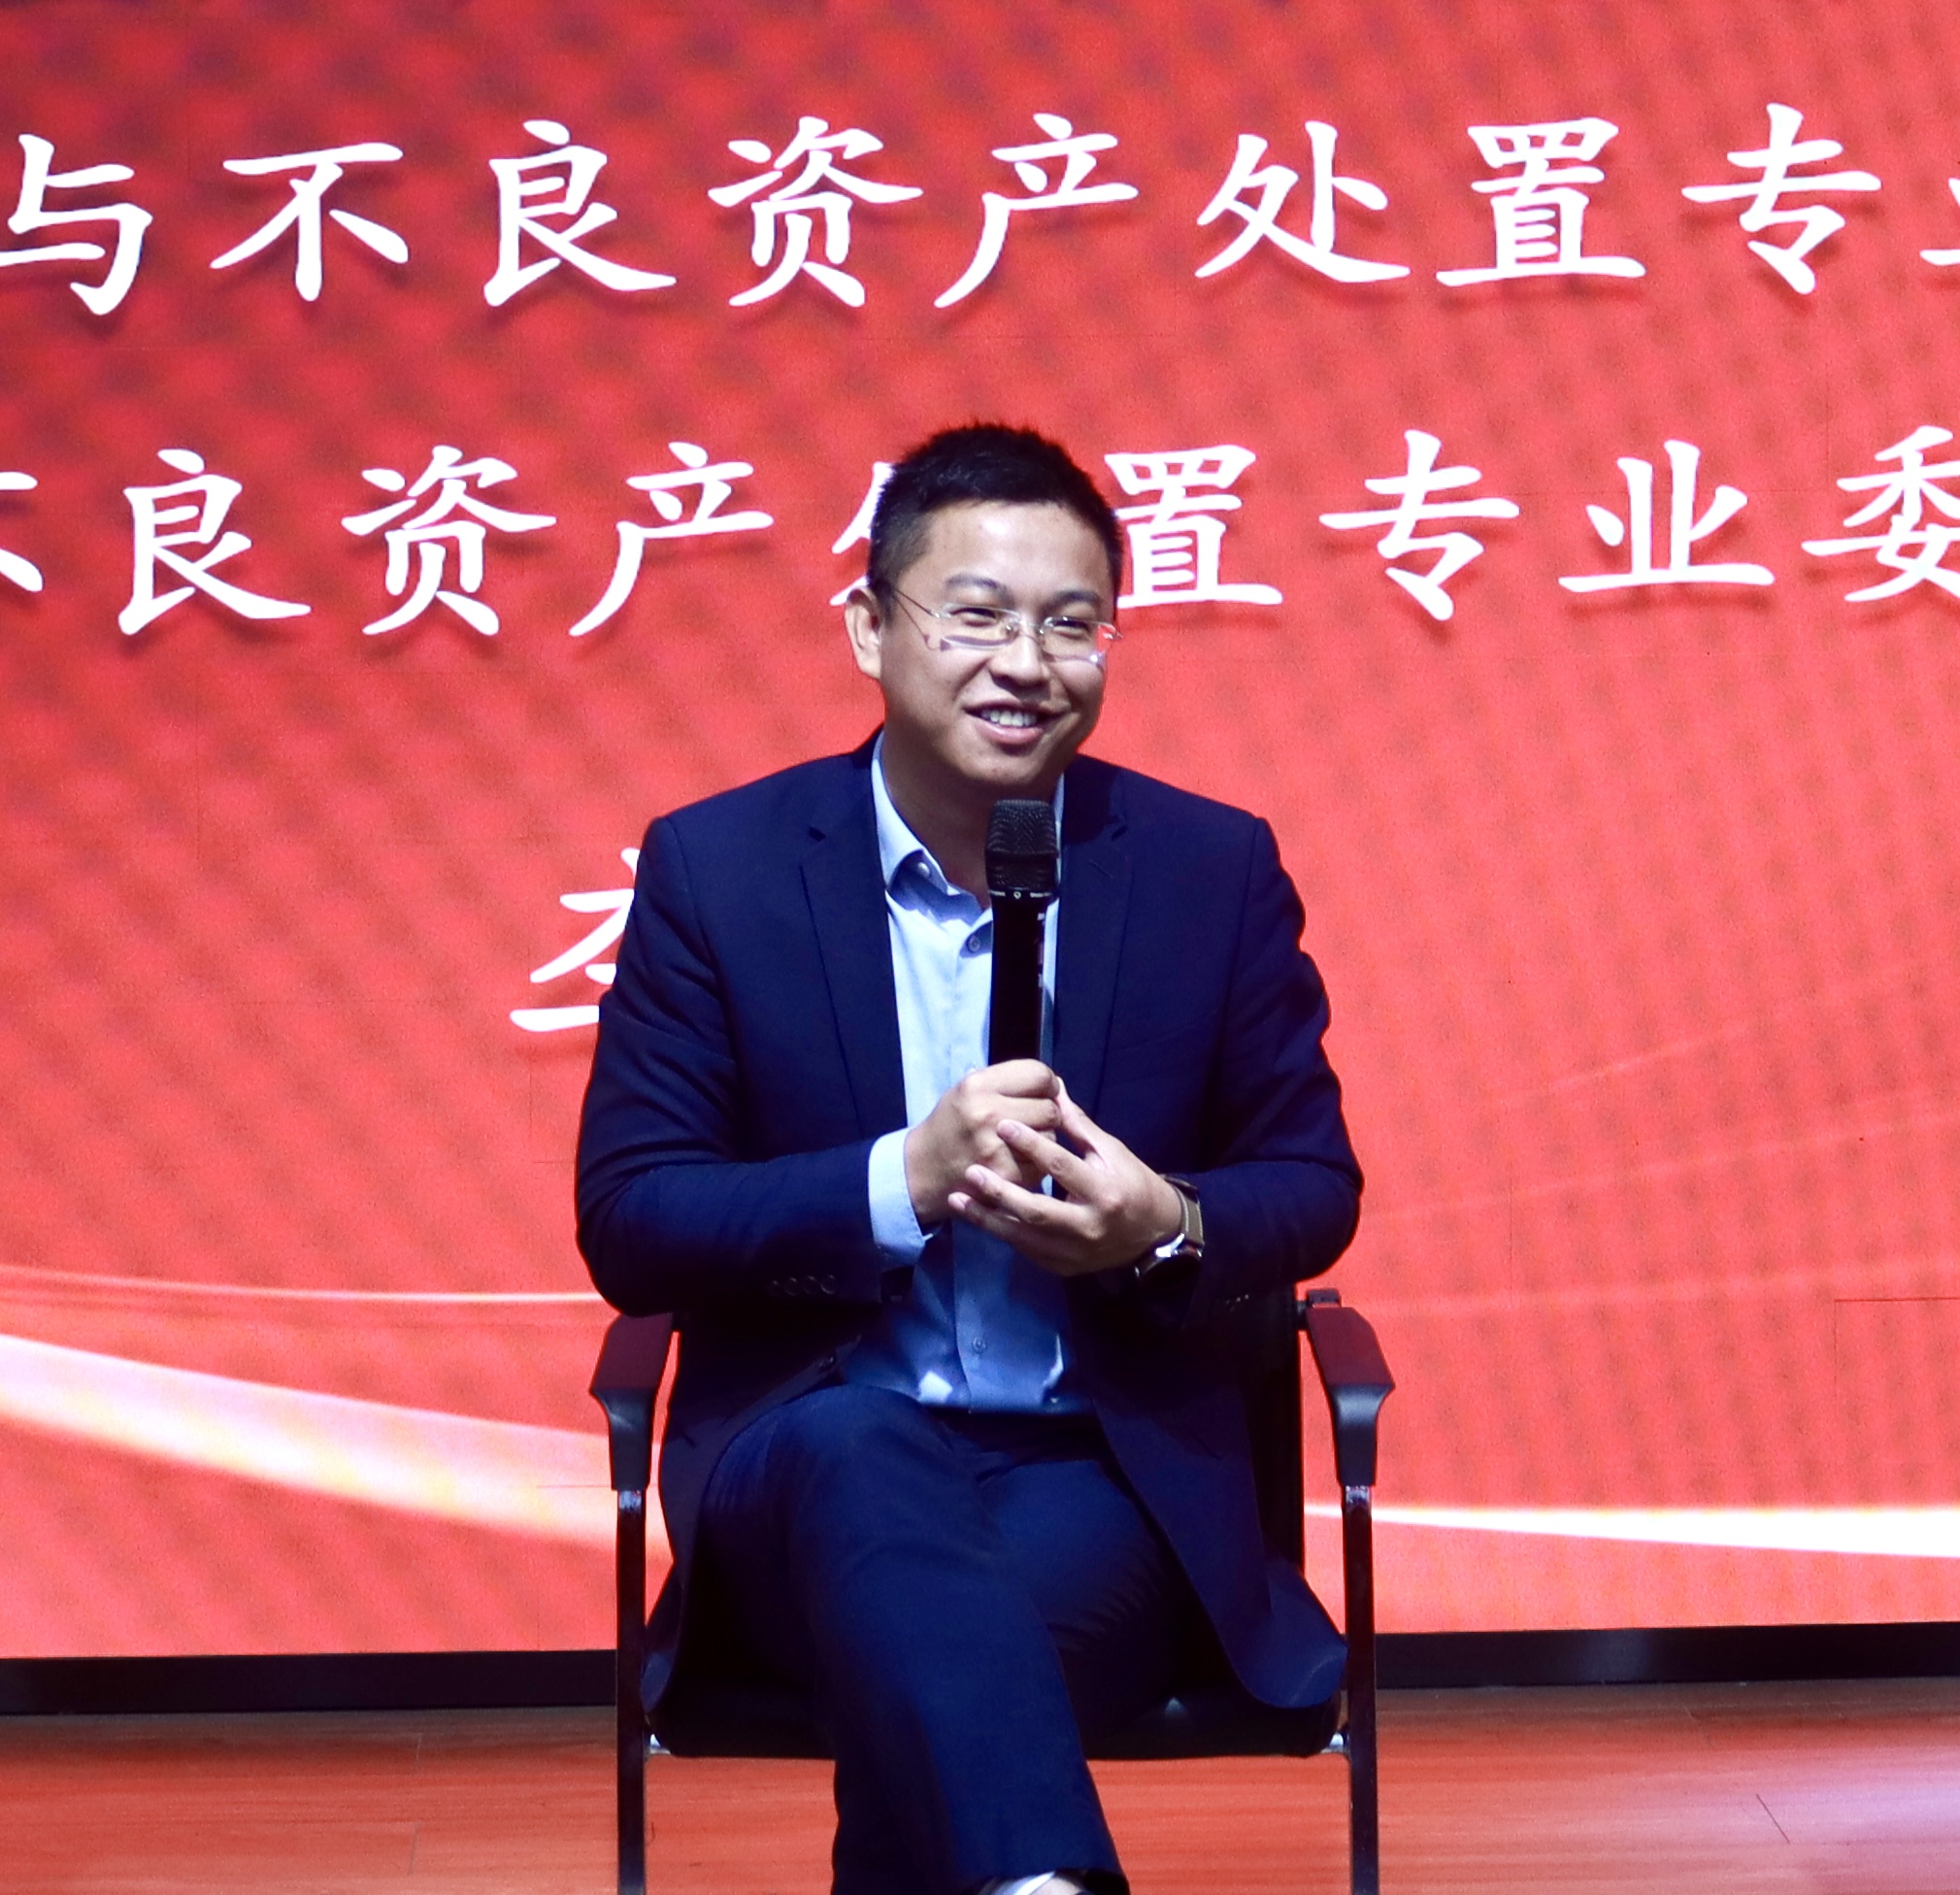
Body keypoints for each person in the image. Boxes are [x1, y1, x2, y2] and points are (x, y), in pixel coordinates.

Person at [577, 423, 1362, 1895]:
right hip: (806, 1462)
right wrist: (900, 1179)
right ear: (870, 629)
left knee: (943, 1700)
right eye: (978, 616)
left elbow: (1313, 1184)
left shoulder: (1206, 868)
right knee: (864, 1460)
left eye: (1072, 624)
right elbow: (633, 1217)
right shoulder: (721, 870)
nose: (1027, 664)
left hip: (1095, 1472)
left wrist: (1164, 1222)